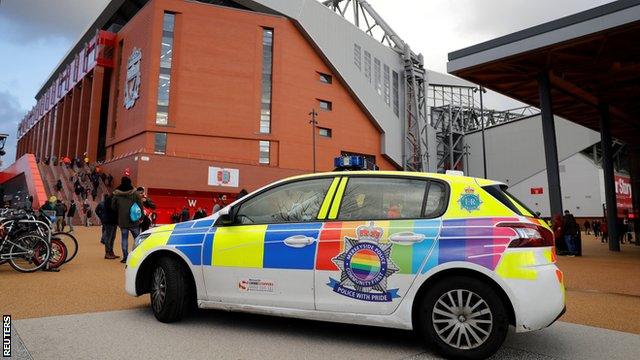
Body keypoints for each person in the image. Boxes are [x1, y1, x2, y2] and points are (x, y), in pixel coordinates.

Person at [111, 176, 143, 263]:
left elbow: (113, 207)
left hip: (122, 220)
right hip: (134, 220)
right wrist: (141, 217)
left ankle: (125, 257)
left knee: (124, 238)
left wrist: (120, 209)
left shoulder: (117, 194)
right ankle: (139, 255)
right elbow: (140, 206)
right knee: (137, 238)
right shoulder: (135, 193)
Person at [96, 194, 119, 259]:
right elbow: (97, 211)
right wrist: (102, 217)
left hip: (113, 222)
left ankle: (111, 252)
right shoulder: (106, 203)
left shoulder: (113, 203)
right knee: (109, 238)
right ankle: (107, 253)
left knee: (112, 238)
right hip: (109, 222)